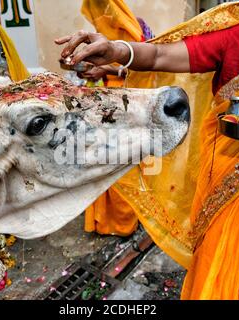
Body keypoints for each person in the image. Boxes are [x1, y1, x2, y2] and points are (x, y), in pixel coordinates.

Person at [56, 0, 239, 299]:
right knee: (219, 265)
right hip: (225, 185)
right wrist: (116, 51)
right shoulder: (234, 39)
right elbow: (160, 54)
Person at [79, 0, 156, 237]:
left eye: (100, 12)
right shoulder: (96, 36)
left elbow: (147, 69)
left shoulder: (138, 31)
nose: (98, 18)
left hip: (131, 103)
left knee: (127, 163)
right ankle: (106, 220)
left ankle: (128, 219)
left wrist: (107, 70)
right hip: (104, 102)